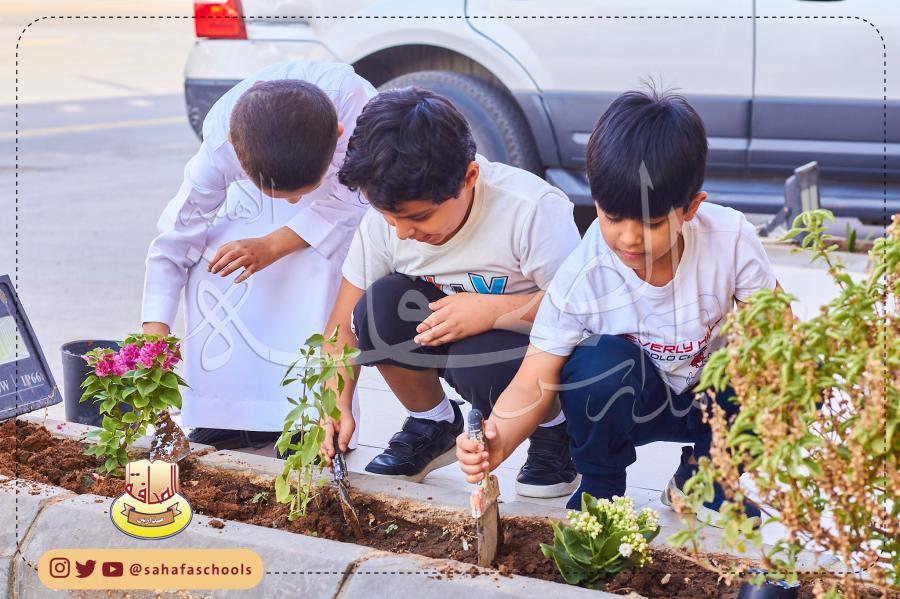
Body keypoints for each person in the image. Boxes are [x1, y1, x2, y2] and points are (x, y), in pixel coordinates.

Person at [456, 88, 780, 518]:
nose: (628, 238)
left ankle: (707, 477)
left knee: (786, 363)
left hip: (710, 400)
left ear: (690, 208)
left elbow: (778, 332)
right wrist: (498, 438)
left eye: (651, 223)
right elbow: (534, 379)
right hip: (633, 406)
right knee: (594, 363)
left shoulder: (730, 239)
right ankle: (601, 485)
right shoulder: (584, 273)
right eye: (611, 217)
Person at [319, 87, 582, 498]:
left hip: (530, 355)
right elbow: (341, 328)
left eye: (420, 217)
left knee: (479, 360)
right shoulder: (386, 226)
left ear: (469, 178)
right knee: (378, 307)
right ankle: (433, 423)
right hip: (452, 336)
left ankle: (556, 432)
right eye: (388, 217)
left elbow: (582, 311)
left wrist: (492, 311)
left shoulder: (530, 209)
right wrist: (335, 404)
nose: (402, 233)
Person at [141, 61, 375, 451]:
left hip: (342, 202)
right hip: (256, 196)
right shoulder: (221, 144)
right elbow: (176, 239)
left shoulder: (358, 111)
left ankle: (313, 417)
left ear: (337, 134)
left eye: (301, 193)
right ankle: (224, 414)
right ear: (235, 149)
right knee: (214, 259)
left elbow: (356, 202)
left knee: (318, 264)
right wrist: (154, 343)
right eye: (286, 196)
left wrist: (273, 245)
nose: (296, 204)